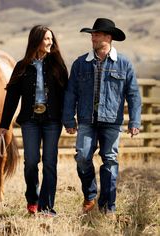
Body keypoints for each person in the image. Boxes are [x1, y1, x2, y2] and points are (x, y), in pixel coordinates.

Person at [62, 18, 141, 218]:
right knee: (82, 157)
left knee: (110, 161)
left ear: (108, 37)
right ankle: (90, 196)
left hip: (112, 122)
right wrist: (69, 120)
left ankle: (108, 207)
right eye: (92, 34)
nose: (93, 37)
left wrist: (134, 122)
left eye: (96, 34)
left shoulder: (124, 64)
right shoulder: (80, 63)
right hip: (87, 120)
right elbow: (71, 93)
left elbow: (133, 95)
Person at [0, 25, 68, 216]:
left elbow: (66, 95)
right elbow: (11, 98)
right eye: (46, 39)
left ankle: (47, 207)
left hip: (52, 120)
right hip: (29, 121)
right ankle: (32, 199)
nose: (50, 42)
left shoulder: (57, 66)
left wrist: (69, 119)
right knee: (31, 162)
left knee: (49, 162)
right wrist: (4, 125)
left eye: (51, 39)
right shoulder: (22, 66)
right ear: (36, 40)